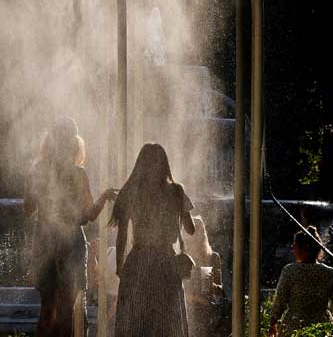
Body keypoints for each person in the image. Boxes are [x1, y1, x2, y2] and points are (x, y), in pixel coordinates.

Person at [24, 117, 117, 337]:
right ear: (75, 142)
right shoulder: (78, 174)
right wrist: (104, 197)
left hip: (45, 241)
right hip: (71, 244)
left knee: (47, 309)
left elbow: (27, 210)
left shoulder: (37, 170)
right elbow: (88, 216)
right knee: (68, 311)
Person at [111, 143, 195, 337]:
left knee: (136, 320)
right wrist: (180, 213)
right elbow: (191, 230)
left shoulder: (130, 192)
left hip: (138, 261)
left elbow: (122, 235)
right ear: (165, 164)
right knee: (168, 321)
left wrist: (119, 265)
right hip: (165, 261)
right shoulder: (176, 191)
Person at [269, 226, 333, 337]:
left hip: (294, 328)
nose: (293, 248)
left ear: (304, 248)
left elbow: (280, 302)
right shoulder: (330, 273)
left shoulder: (290, 271)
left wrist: (272, 323)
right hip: (322, 329)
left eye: (295, 245)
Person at [183, 215, 226, 337]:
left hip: (207, 315)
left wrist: (212, 285)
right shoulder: (184, 258)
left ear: (203, 234)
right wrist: (191, 297)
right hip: (187, 313)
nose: (194, 237)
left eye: (198, 232)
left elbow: (220, 291)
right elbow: (175, 287)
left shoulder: (212, 257)